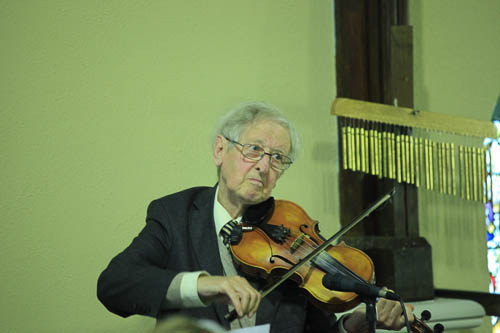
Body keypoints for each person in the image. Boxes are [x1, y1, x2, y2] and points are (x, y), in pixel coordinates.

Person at [97, 102, 414, 332]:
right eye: (254, 150)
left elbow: (320, 330)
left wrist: (355, 325)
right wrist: (205, 284)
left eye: (278, 158)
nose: (264, 166)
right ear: (220, 151)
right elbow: (114, 285)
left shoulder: (292, 236)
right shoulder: (175, 215)